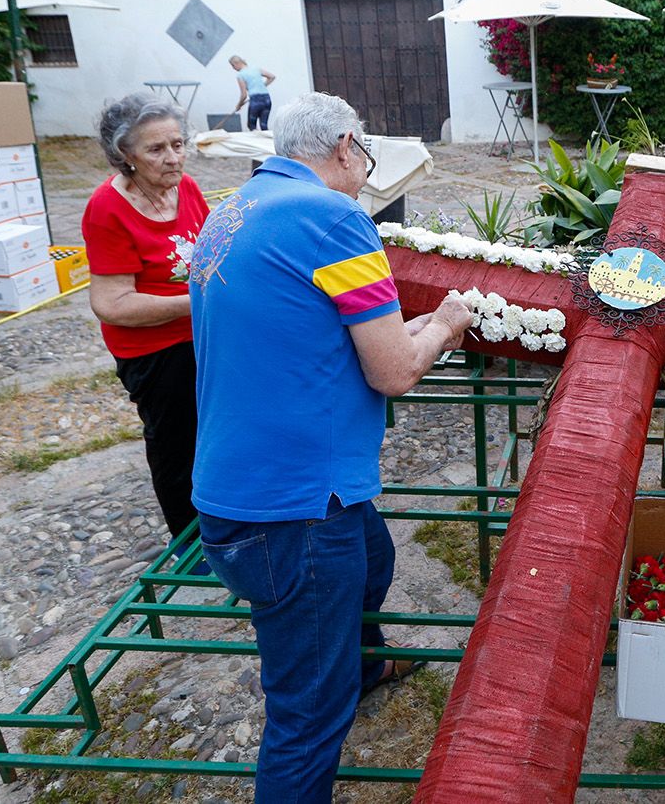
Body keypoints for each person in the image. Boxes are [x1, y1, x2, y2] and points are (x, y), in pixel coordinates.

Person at [187, 91, 473, 802]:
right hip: (295, 511)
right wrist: (444, 326)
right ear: (346, 145)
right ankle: (332, 688)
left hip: (234, 489)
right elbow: (395, 369)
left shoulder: (235, 209)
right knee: (306, 717)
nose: (365, 171)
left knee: (375, 554)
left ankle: (363, 661)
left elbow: (332, 342)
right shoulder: (335, 217)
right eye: (365, 155)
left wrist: (415, 325)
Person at [82, 94, 211, 540]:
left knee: (216, 433)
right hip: (155, 351)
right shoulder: (107, 209)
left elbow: (213, 252)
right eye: (157, 150)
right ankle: (192, 543)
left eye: (178, 144)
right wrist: (194, 303)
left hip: (202, 336)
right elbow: (112, 303)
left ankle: (231, 523)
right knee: (177, 445)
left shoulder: (186, 188)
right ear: (125, 155)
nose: (173, 158)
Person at [229, 54, 276, 131]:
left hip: (256, 101)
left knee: (251, 125)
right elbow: (272, 76)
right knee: (264, 125)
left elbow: (244, 95)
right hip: (267, 99)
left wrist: (238, 105)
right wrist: (263, 86)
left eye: (233, 66)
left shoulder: (240, 75)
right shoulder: (256, 69)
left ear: (237, 63)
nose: (233, 68)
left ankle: (256, 142)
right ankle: (268, 142)